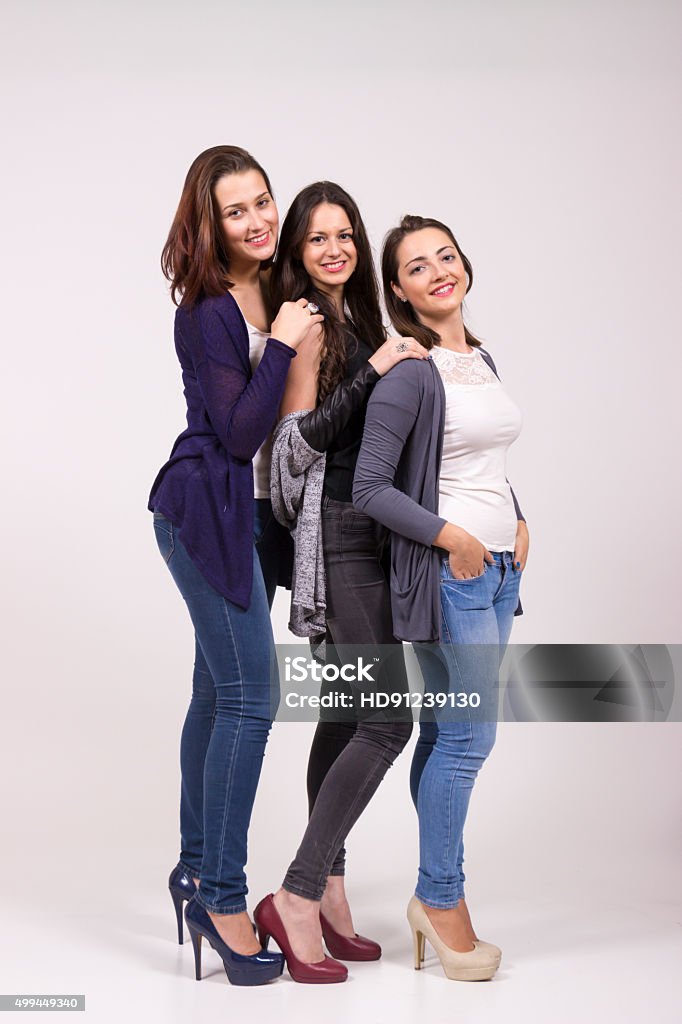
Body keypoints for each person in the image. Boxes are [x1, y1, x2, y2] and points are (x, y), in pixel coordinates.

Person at [148, 145, 322, 986]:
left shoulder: (283, 291)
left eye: (263, 203)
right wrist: (284, 344)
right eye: (236, 211)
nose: (256, 221)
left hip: (250, 519)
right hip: (201, 513)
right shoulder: (208, 309)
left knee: (218, 695)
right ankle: (222, 895)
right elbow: (239, 435)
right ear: (209, 223)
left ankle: (190, 866)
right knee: (256, 698)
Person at [253, 183, 429, 984]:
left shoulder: (357, 320)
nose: (334, 248)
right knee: (387, 719)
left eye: (345, 234)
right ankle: (294, 895)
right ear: (297, 247)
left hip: (374, 531)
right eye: (318, 237)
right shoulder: (311, 321)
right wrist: (377, 370)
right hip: (342, 538)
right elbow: (295, 441)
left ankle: (326, 890)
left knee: (345, 716)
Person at [353, 214, 529, 982]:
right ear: (399, 290)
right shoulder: (410, 372)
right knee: (469, 739)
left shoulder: (479, 357)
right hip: (453, 573)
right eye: (417, 267)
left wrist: (518, 513)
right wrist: (452, 538)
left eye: (445, 257)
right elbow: (370, 489)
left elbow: (480, 461)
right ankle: (441, 900)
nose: (437, 272)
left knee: (445, 734)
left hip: (498, 572)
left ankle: (434, 895)